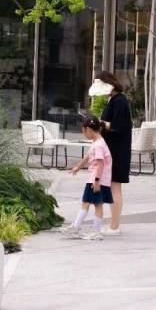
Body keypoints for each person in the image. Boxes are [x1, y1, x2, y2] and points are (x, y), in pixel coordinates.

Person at [60, 116, 113, 241]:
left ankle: (80, 228)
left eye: (83, 131)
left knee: (89, 203)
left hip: (97, 179)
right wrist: (78, 166)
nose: (83, 134)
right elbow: (89, 155)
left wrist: (96, 181)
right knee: (95, 204)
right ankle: (89, 229)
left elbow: (100, 164)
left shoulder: (98, 145)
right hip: (100, 179)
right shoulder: (98, 141)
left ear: (88, 129)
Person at [97, 71, 132, 236]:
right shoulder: (114, 100)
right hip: (114, 149)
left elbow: (118, 126)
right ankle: (113, 224)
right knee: (113, 187)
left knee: (115, 187)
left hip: (117, 151)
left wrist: (101, 123)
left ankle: (114, 226)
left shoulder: (119, 101)